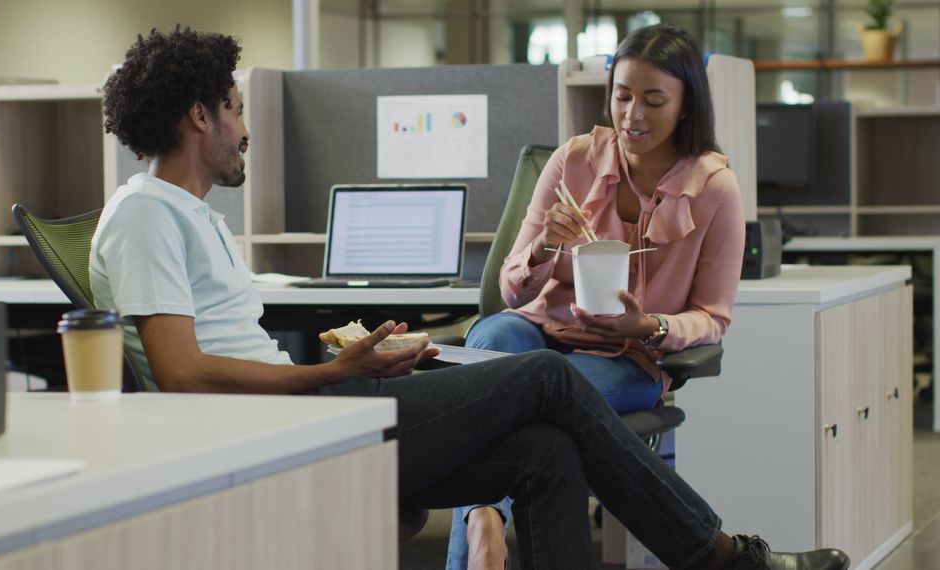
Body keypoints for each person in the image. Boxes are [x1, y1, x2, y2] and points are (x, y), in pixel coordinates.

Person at [90, 25, 849, 570]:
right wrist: (330, 373)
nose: (245, 128)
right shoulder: (145, 214)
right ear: (200, 117)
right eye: (234, 108)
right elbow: (184, 372)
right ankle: (718, 555)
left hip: (320, 410)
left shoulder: (186, 215)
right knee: (545, 375)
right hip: (296, 427)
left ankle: (712, 555)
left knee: (548, 454)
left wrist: (357, 363)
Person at [448, 23, 747, 569]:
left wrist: (650, 327)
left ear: (685, 106)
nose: (632, 115)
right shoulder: (575, 161)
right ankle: (484, 524)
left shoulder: (714, 190)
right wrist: (541, 249)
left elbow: (713, 317)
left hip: (627, 358)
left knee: (522, 405)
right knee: (493, 333)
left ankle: (480, 523)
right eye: (622, 95)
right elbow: (510, 289)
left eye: (653, 100)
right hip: (538, 331)